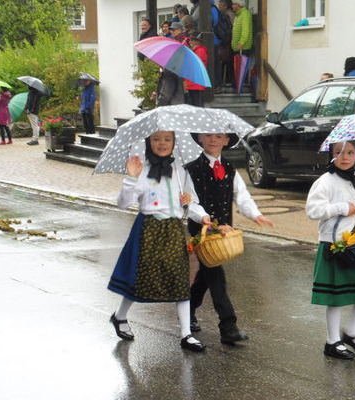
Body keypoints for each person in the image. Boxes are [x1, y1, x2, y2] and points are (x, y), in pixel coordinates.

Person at [107, 130, 211, 352]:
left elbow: (191, 203)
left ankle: (186, 334)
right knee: (141, 277)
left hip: (173, 230)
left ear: (174, 142)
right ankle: (120, 316)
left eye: (167, 139)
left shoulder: (181, 171)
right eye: (156, 139)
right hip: (148, 230)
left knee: (180, 279)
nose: (162, 143)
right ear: (148, 142)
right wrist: (131, 178)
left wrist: (201, 215)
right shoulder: (141, 170)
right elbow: (123, 204)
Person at [186, 131, 274, 345]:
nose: (213, 139)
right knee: (216, 275)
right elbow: (190, 202)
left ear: (226, 141)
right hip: (203, 231)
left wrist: (256, 214)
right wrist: (203, 216)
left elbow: (242, 196)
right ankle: (228, 326)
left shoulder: (230, 168)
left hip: (223, 231)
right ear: (200, 139)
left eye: (219, 136)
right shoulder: (190, 170)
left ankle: (187, 311)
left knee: (206, 275)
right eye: (207, 135)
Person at [305, 140, 355, 360]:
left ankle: (352, 332)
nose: (344, 156)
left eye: (350, 152)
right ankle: (332, 342)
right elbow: (313, 210)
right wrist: (341, 208)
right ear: (332, 154)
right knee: (336, 298)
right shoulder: (325, 181)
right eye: (339, 152)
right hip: (334, 243)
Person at [183, 33, 208, 107]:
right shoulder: (196, 51)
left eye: (191, 40)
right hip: (193, 83)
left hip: (196, 83)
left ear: (195, 42)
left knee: (197, 104)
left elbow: (195, 66)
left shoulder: (200, 51)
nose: (189, 42)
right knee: (195, 104)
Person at [217, 0, 236, 88]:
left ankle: (230, 81)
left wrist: (225, 39)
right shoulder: (227, 14)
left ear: (225, 6)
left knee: (228, 62)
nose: (218, 6)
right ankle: (228, 80)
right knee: (227, 62)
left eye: (220, 5)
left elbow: (232, 29)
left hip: (228, 42)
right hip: (227, 41)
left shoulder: (228, 15)